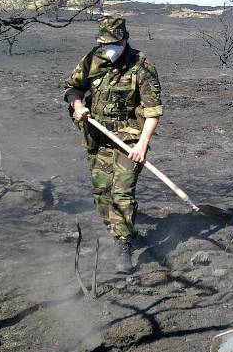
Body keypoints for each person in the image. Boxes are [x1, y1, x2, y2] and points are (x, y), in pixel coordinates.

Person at [63, 18, 163, 273]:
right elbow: (73, 88)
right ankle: (120, 229)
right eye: (104, 43)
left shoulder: (142, 66)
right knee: (102, 193)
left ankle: (123, 243)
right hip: (96, 136)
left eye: (114, 43)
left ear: (124, 39)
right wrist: (78, 107)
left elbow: (152, 112)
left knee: (121, 192)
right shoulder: (92, 60)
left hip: (128, 139)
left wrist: (143, 144)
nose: (109, 48)